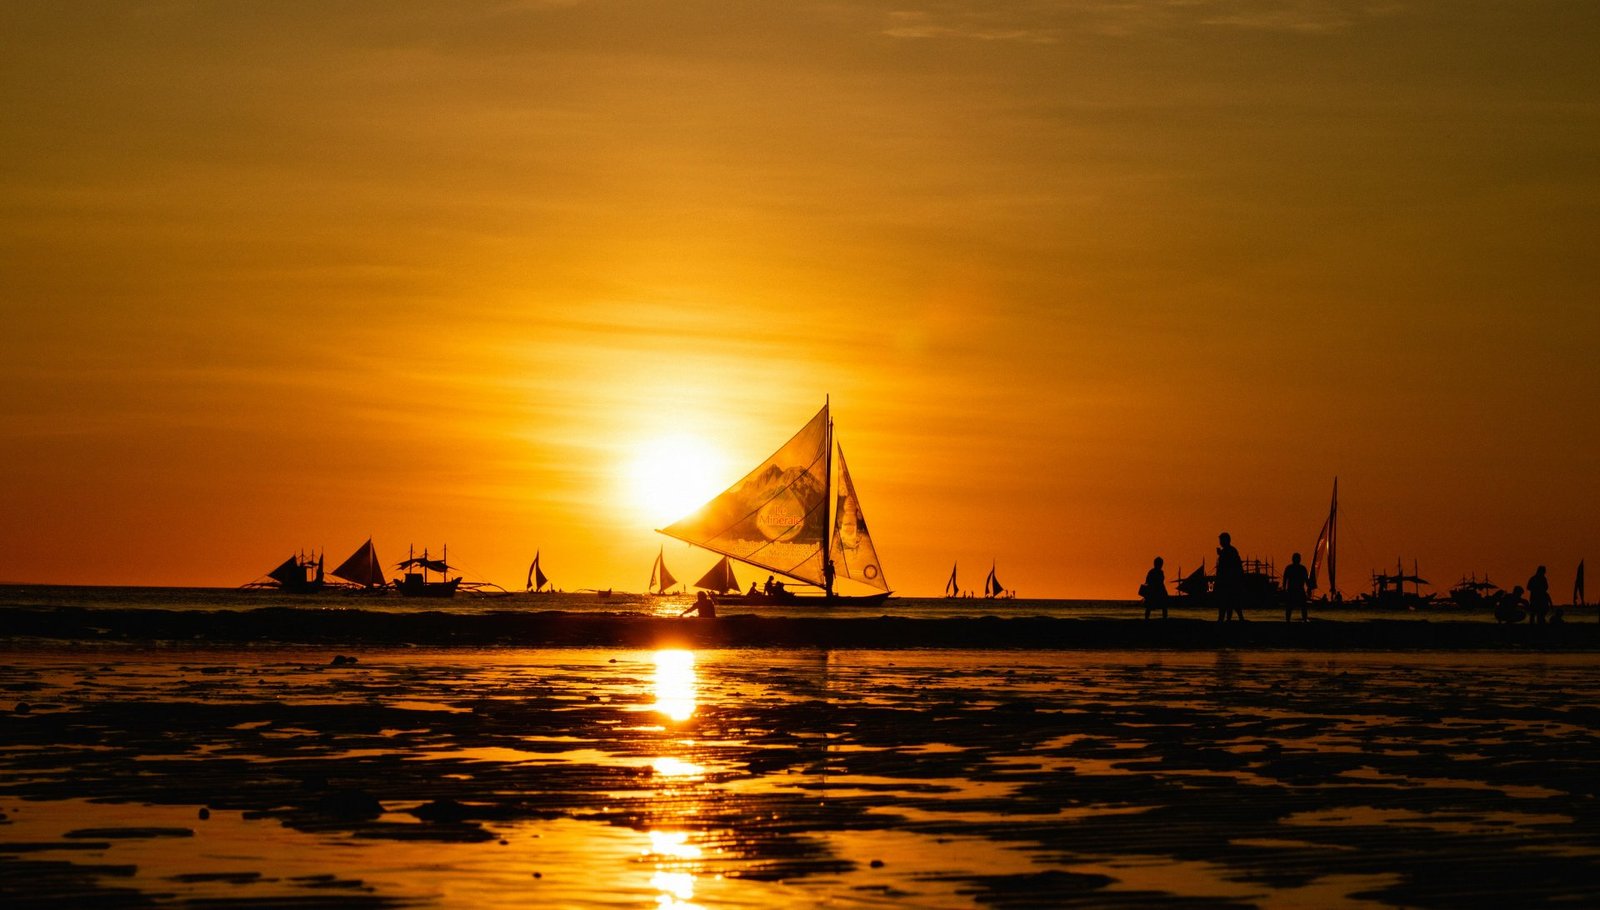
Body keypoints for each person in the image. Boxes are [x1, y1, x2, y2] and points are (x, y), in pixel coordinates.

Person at [1214, 532, 1245, 622]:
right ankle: (1227, 619)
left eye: (1221, 540)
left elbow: (1228, 566)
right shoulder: (1230, 551)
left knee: (1228, 602)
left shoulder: (1229, 551)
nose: (1220, 542)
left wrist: (1221, 554)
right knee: (1229, 602)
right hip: (1228, 581)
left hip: (1228, 581)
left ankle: (1225, 619)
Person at [1281, 552, 1310, 622]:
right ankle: (1291, 620)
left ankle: (1303, 619)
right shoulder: (1297, 568)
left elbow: (1285, 580)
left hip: (1296, 590)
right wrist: (1284, 589)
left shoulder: (1296, 568)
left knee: (1301, 606)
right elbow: (1285, 580)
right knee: (1292, 607)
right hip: (1294, 590)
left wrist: (1284, 589)